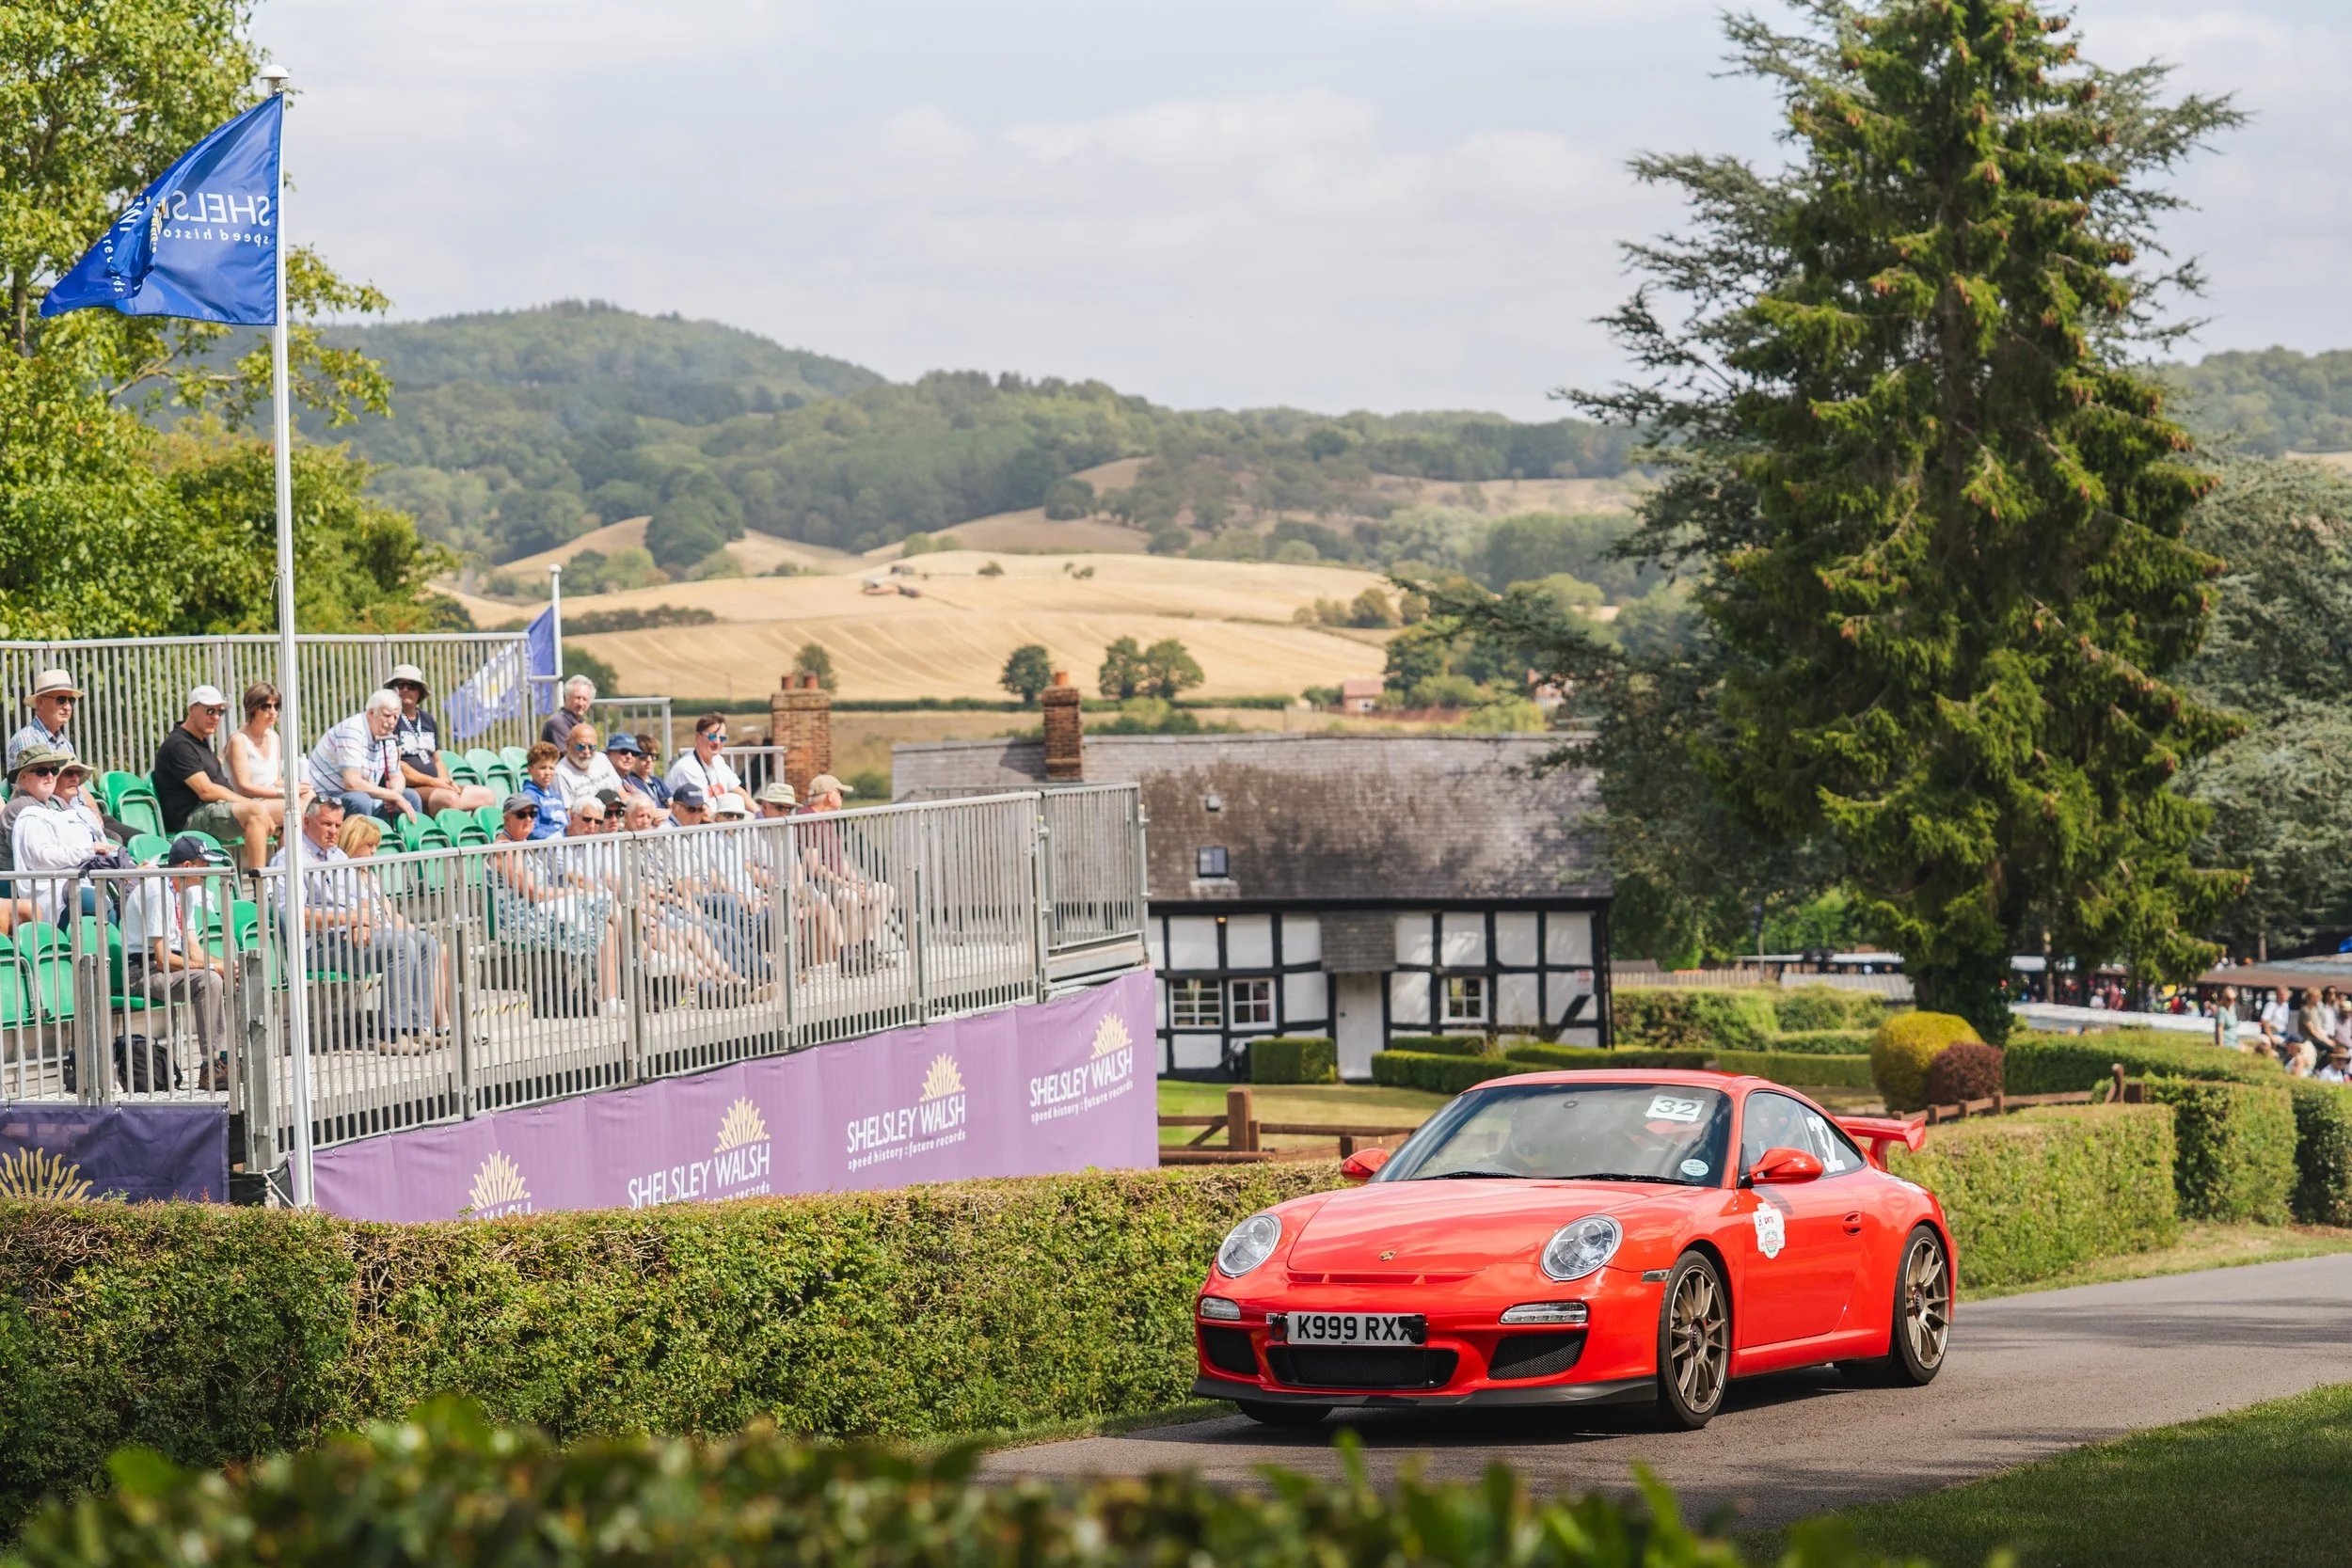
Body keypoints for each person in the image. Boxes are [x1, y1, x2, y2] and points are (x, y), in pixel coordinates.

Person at [119, 834, 234, 1089]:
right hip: (144, 971)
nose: (208, 873)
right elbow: (162, 959)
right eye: (204, 866)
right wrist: (214, 968)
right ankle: (212, 1064)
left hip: (171, 967)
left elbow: (194, 951)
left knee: (233, 973)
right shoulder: (156, 890)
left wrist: (227, 964)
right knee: (210, 978)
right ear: (187, 867)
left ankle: (231, 1056)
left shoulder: (187, 894)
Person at [491, 792, 621, 1010]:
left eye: (532, 814)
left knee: (606, 920)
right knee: (605, 924)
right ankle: (614, 994)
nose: (529, 819)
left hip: (540, 913)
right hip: (522, 921)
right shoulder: (505, 849)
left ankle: (613, 995)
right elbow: (534, 892)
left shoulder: (521, 845)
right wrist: (572, 893)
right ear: (507, 819)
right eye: (522, 814)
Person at [335, 814, 450, 1045]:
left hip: (384, 930)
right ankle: (398, 1029)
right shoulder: (343, 874)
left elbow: (390, 914)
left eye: (376, 845)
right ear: (354, 842)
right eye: (369, 845)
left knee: (428, 942)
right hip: (365, 936)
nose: (374, 851)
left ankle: (422, 1024)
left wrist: (415, 931)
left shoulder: (370, 875)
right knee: (405, 945)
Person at [153, 685, 274, 869]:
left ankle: (290, 880)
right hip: (191, 818)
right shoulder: (178, 744)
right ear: (192, 710)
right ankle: (261, 889)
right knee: (255, 812)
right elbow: (206, 791)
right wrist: (250, 804)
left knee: (293, 808)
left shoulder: (201, 740)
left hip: (212, 810)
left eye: (220, 712)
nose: (216, 717)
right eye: (210, 711)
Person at [11, 747, 106, 922]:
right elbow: (42, 857)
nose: (49, 776)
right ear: (24, 777)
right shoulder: (23, 809)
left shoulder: (55, 805)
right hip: (47, 890)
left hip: (75, 881)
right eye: (42, 771)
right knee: (94, 900)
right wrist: (87, 851)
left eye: (53, 771)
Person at [388, 664, 496, 816]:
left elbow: (437, 760)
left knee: (486, 795)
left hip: (437, 785)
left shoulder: (427, 719)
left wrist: (445, 781)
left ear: (419, 691)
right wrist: (434, 782)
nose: (405, 689)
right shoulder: (391, 720)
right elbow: (398, 765)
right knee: (449, 799)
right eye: (400, 685)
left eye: (410, 685)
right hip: (411, 789)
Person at [308, 689, 418, 821]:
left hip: (362, 794)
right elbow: (352, 783)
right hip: (327, 795)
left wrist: (395, 794)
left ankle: (403, 840)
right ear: (371, 713)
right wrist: (392, 796)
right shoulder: (352, 730)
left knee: (411, 797)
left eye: (396, 717)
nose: (392, 722)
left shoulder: (387, 736)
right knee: (361, 800)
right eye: (387, 715)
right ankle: (362, 841)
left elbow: (397, 776)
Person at [224, 682, 314, 836]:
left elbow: (276, 780)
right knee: (297, 809)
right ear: (252, 708)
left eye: (276, 706)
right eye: (266, 706)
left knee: (310, 797)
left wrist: (297, 787)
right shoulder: (239, 740)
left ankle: (289, 854)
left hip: (270, 799)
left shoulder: (274, 737)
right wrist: (286, 792)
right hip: (246, 803)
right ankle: (291, 856)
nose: (272, 712)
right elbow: (244, 787)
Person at [8, 669, 78, 768]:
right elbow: (35, 782)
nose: (68, 707)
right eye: (61, 700)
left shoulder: (66, 744)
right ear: (40, 702)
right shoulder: (26, 739)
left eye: (71, 700)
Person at [665, 712, 741, 801]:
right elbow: (700, 809)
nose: (717, 742)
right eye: (712, 737)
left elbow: (737, 790)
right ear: (698, 737)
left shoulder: (718, 760)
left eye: (722, 738)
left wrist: (758, 813)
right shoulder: (687, 768)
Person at [554, 722, 624, 813]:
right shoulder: (560, 774)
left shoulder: (601, 758)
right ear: (568, 745)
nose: (587, 752)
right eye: (581, 747)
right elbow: (567, 814)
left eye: (592, 747)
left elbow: (622, 794)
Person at [608, 733, 670, 814]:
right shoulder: (607, 779)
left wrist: (668, 812)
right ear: (609, 753)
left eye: (634, 753)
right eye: (624, 751)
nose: (629, 756)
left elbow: (674, 806)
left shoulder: (656, 781)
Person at [520, 741, 568, 839]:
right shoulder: (529, 797)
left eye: (551, 768)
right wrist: (557, 839)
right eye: (542, 768)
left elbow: (567, 822)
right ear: (530, 770)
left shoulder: (555, 795)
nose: (547, 773)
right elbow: (532, 830)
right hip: (545, 848)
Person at [541, 674, 596, 747]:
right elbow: (569, 754)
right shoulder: (558, 723)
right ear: (566, 698)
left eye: (585, 699)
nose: (581, 703)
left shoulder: (579, 722)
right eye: (577, 698)